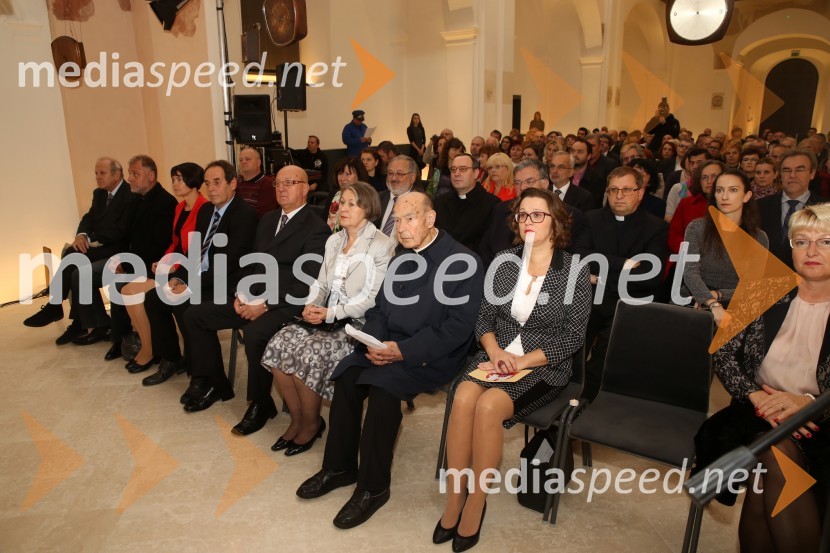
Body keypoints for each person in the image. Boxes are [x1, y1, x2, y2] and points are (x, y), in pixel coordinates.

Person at [296, 192, 484, 530]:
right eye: (396, 219)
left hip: (432, 355)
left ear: (431, 218)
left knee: (383, 390)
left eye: (410, 218)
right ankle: (339, 467)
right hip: (387, 346)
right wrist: (376, 341)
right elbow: (380, 309)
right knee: (348, 375)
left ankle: (373, 487)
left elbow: (457, 329)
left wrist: (403, 350)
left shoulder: (463, 262)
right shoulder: (401, 258)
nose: (401, 226)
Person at [435, 188, 591, 551]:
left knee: (489, 407)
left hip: (542, 365)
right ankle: (455, 498)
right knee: (463, 397)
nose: (529, 222)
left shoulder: (574, 272)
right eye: (523, 215)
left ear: (557, 222)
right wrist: (494, 351)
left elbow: (572, 339)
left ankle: (477, 501)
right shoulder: (504, 261)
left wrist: (521, 360)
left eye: (538, 215)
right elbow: (484, 319)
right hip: (496, 355)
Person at [694, 204, 830, 553]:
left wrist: (807, 404)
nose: (811, 251)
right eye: (801, 242)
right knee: (773, 456)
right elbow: (724, 354)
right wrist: (758, 399)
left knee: (768, 469)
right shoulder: (764, 290)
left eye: (825, 241)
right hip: (753, 410)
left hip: (820, 420)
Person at [181, 165, 330, 424]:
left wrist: (264, 305)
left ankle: (261, 403)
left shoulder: (316, 228)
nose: (282, 188)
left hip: (286, 303)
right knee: (195, 314)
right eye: (278, 183)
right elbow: (250, 263)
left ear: (305, 188)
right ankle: (217, 383)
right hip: (254, 295)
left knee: (254, 333)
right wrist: (240, 293)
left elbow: (306, 282)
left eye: (290, 182)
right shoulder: (269, 219)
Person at [263, 182, 395, 455]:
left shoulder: (381, 245)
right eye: (341, 203)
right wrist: (312, 305)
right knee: (279, 344)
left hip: (355, 324)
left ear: (368, 209)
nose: (343, 209)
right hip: (325, 316)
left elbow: (371, 299)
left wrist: (330, 313)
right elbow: (321, 283)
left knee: (308, 355)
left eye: (351, 204)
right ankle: (298, 419)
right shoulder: (334, 240)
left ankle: (311, 424)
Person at [142, 160, 259, 390]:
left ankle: (206, 378)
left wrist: (189, 286)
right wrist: (180, 278)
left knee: (185, 304)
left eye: (217, 182)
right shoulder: (206, 211)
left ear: (233, 183)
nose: (211, 188)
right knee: (154, 299)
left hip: (226, 282)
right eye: (207, 183)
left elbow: (228, 263)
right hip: (202, 277)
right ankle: (172, 359)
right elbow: (194, 252)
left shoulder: (245, 215)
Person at [573, 166, 668, 400]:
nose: (619, 195)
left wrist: (598, 276)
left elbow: (649, 276)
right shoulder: (591, 218)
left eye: (627, 190)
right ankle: (566, 400)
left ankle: (584, 404)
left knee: (603, 356)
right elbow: (580, 256)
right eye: (614, 189)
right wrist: (623, 263)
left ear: (640, 193)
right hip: (589, 300)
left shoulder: (656, 227)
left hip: (627, 303)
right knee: (572, 347)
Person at [24, 158, 138, 344]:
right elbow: (89, 218)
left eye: (102, 173)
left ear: (116, 175)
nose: (98, 177)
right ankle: (79, 320)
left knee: (72, 256)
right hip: (100, 246)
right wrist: (82, 235)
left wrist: (90, 239)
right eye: (96, 173)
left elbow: (120, 230)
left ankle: (60, 309)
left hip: (118, 249)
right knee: (72, 258)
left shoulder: (129, 195)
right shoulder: (100, 194)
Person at [119, 162, 208, 381]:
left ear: (193, 182)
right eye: (173, 179)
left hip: (187, 272)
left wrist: (173, 266)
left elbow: (196, 251)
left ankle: (155, 353)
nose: (175, 184)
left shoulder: (203, 208)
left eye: (179, 179)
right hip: (174, 266)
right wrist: (163, 260)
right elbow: (175, 242)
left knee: (141, 294)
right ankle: (149, 348)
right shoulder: (179, 208)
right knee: (128, 290)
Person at [681, 169, 768, 326]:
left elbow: (752, 287)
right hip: (696, 300)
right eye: (719, 190)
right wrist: (712, 302)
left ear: (747, 195)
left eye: (733, 190)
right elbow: (690, 272)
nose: (724, 196)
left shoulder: (759, 237)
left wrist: (718, 295)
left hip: (737, 304)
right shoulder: (696, 228)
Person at [757, 149, 825, 269]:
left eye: (800, 169)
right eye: (787, 170)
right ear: (780, 174)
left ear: (812, 173)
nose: (792, 175)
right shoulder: (759, 206)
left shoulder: (825, 209)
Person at [434, 153, 500, 257]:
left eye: (463, 169)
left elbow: (488, 247)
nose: (457, 173)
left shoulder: (492, 204)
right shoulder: (440, 202)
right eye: (453, 169)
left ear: (476, 173)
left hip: (473, 263)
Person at [668, 160, 725, 253]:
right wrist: (693, 251)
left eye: (714, 176)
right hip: (689, 257)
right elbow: (674, 236)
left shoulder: (734, 205)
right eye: (704, 177)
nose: (709, 181)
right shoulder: (686, 203)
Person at [375, 155, 423, 239]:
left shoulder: (421, 203)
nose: (393, 178)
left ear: (412, 178)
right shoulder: (377, 198)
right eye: (390, 173)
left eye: (399, 174)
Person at [326, 157, 369, 232]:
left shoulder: (366, 197)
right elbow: (323, 223)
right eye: (340, 174)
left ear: (359, 175)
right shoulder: (333, 194)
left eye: (348, 174)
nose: (343, 178)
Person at [236, 146, 277, 217]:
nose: (243, 162)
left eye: (247, 159)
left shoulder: (267, 184)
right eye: (241, 160)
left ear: (259, 162)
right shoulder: (236, 184)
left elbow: (264, 216)